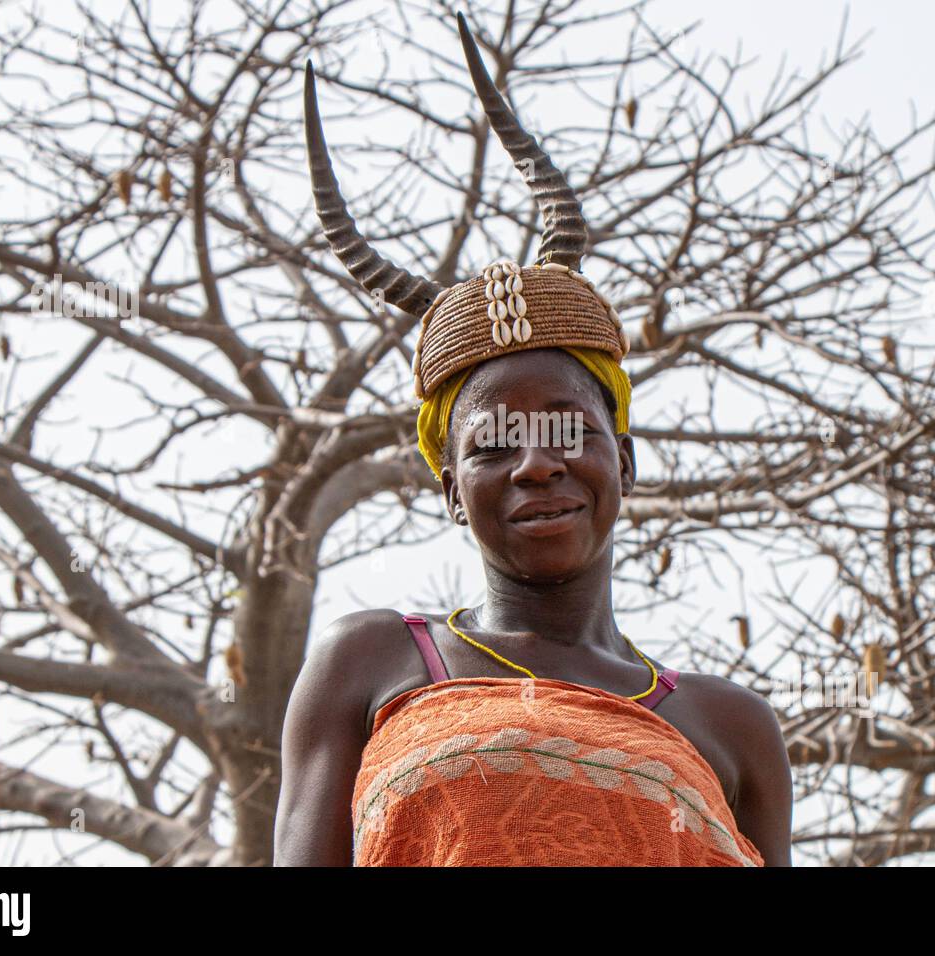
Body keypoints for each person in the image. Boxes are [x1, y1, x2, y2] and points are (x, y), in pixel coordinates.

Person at [274, 13, 791, 867]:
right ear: (448, 489)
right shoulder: (371, 664)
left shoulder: (729, 724)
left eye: (566, 429)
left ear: (622, 459)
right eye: (492, 445)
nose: (538, 460)